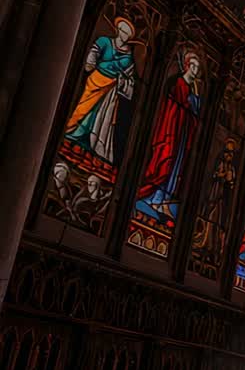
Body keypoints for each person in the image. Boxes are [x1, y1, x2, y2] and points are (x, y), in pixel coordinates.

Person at [136, 52, 202, 219]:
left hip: (183, 134)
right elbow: (168, 107)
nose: (195, 70)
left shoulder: (194, 93)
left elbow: (194, 115)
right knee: (165, 161)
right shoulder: (176, 83)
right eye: (192, 66)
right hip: (170, 130)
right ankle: (155, 198)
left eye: (197, 68)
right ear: (186, 66)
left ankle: (163, 199)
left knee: (177, 167)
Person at [65, 17, 138, 164]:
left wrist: (123, 82)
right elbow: (93, 54)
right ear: (118, 30)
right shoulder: (105, 41)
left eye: (127, 34)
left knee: (99, 117)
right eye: (123, 31)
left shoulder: (129, 56)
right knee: (83, 109)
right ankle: (70, 132)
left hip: (111, 89)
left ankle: (87, 143)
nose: (124, 35)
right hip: (96, 80)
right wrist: (91, 62)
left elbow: (130, 78)